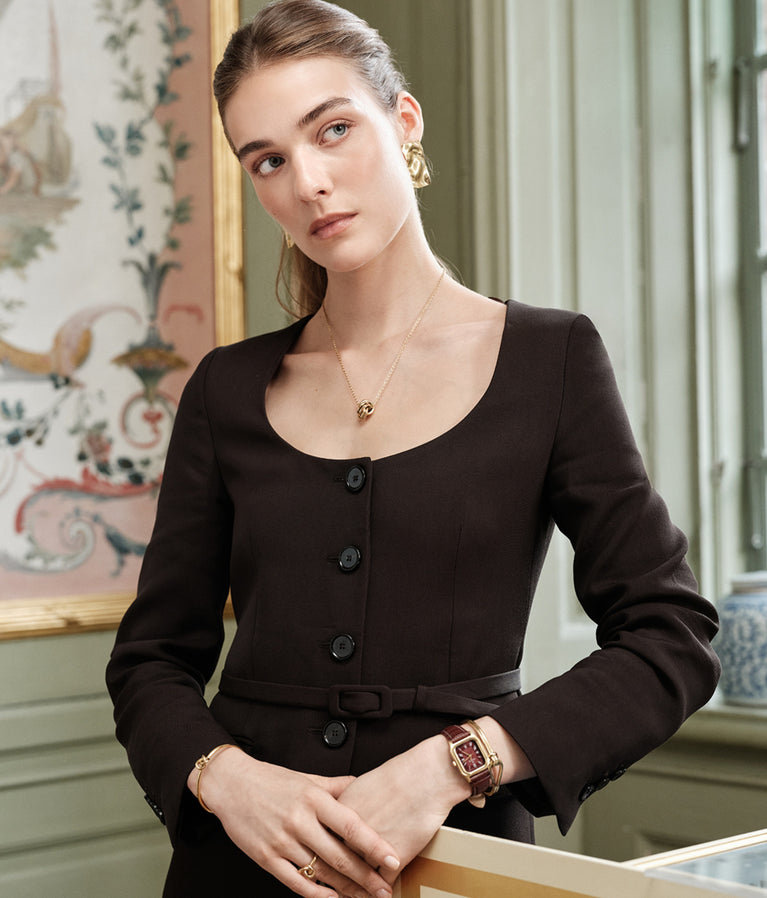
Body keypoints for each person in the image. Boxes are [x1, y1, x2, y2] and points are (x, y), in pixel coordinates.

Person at [106, 2, 721, 896]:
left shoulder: (548, 360)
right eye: (268, 161)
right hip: (236, 868)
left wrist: (454, 762)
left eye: (334, 130)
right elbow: (150, 660)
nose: (307, 182)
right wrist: (227, 779)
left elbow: (672, 637)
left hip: (459, 861)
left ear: (404, 123)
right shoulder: (225, 392)